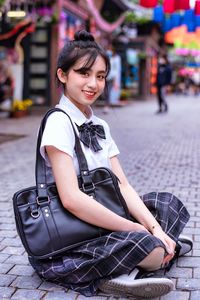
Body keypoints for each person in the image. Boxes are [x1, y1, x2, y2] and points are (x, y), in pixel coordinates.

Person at [28, 30, 192, 299]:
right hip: (76, 232)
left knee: (167, 204)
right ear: (62, 75)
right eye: (84, 73)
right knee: (149, 245)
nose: (93, 83)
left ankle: (152, 251)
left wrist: (154, 228)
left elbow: (122, 185)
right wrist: (135, 229)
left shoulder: (100, 125)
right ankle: (132, 268)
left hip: (107, 218)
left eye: (101, 76)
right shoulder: (58, 122)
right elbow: (70, 199)